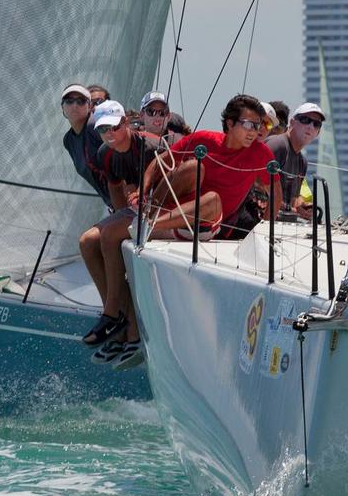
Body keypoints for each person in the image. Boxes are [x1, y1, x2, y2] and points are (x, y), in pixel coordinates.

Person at [78, 101, 158, 371]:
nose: (110, 135)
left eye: (114, 127)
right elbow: (114, 187)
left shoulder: (150, 147)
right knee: (87, 241)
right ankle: (118, 325)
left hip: (163, 212)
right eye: (103, 130)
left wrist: (127, 219)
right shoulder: (106, 153)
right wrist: (123, 215)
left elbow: (172, 188)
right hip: (135, 213)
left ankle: (115, 317)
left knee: (111, 234)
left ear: (126, 123)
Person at [142, 93, 280, 243]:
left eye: (257, 125)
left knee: (213, 199)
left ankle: (149, 226)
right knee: (193, 166)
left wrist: (262, 236)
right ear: (230, 124)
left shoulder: (261, 154)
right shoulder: (204, 139)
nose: (254, 131)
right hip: (172, 213)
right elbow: (161, 161)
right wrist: (142, 190)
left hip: (204, 224)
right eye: (248, 124)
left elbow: (276, 194)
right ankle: (146, 215)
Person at [267, 102, 325, 219]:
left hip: (284, 226)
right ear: (292, 122)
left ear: (318, 132)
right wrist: (290, 208)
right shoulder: (278, 145)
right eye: (305, 120)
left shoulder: (302, 162)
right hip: (263, 225)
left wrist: (301, 208)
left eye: (316, 124)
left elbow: (293, 199)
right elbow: (257, 187)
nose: (310, 126)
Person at [60, 84, 110, 205]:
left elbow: (122, 157)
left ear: (89, 106)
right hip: (112, 203)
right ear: (62, 107)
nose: (75, 105)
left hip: (131, 199)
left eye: (81, 101)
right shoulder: (68, 140)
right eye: (69, 101)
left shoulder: (96, 126)